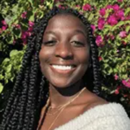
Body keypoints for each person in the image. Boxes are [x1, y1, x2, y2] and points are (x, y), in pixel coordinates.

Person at [0, 6, 130, 130]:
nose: (63, 52)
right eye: (51, 41)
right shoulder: (30, 113)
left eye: (77, 42)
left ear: (90, 55)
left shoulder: (108, 121)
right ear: (36, 53)